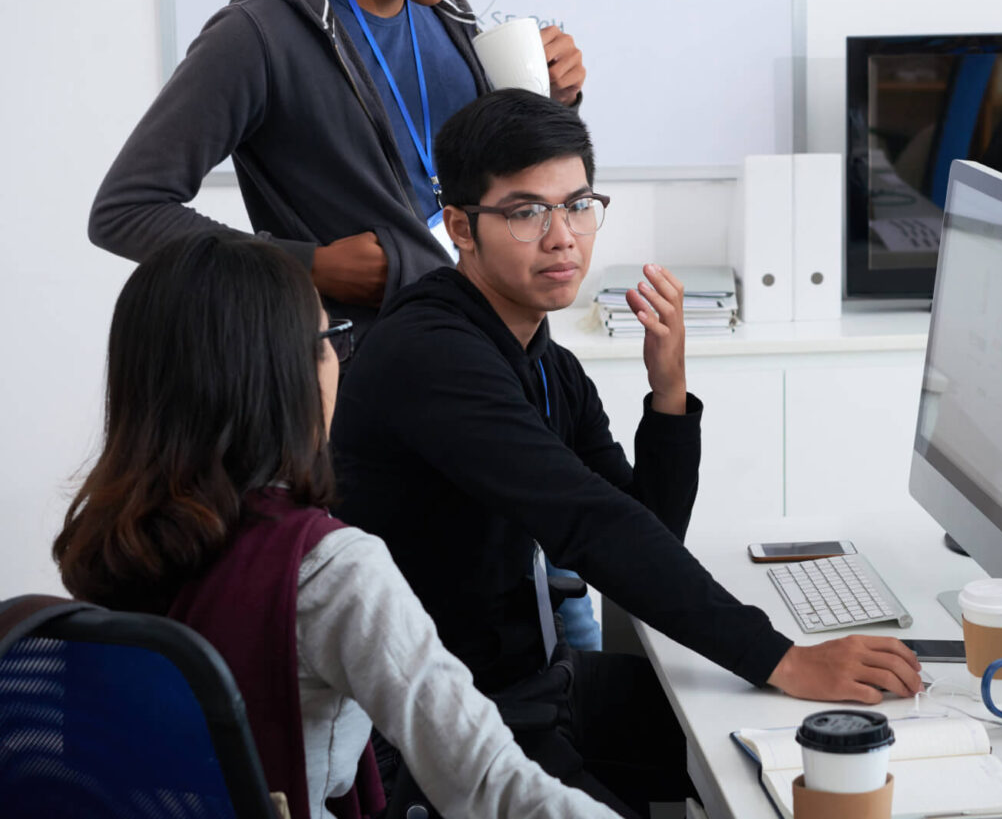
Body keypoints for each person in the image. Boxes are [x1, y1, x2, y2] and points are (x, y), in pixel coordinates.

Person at [329, 89, 923, 818]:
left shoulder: (542, 359)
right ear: (460, 227)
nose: (562, 238)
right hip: (440, 730)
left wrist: (668, 390)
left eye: (578, 205)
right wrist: (782, 657)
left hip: (533, 690)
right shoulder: (433, 356)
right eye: (526, 212)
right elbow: (592, 526)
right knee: (754, 753)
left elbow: (645, 525)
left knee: (789, 742)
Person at [51, 234, 619, 819]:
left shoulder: (110, 540)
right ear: (283, 374)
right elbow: (485, 782)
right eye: (330, 341)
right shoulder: (328, 569)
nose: (338, 364)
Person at [88, 0, 586, 341]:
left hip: (482, 346)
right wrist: (306, 265)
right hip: (361, 374)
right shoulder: (258, 35)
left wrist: (555, 103)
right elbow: (126, 210)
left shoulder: (452, 18)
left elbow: (498, 186)